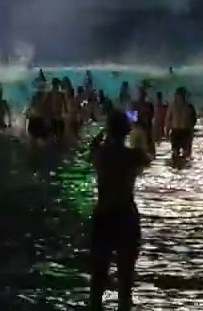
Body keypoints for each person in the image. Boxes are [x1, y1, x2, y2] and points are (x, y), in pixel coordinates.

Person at [89, 111, 149, 311]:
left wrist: (99, 138)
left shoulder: (100, 155)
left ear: (108, 130)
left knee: (97, 281)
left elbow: (91, 151)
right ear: (126, 131)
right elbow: (148, 157)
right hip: (126, 216)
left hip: (103, 215)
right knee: (125, 282)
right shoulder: (133, 156)